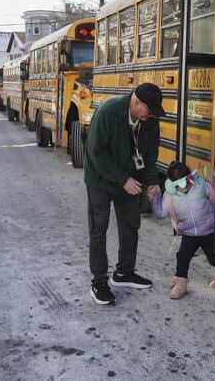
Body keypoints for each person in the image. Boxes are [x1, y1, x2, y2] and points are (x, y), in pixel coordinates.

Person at [84, 82, 164, 305]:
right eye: (150, 110)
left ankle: (123, 273)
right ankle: (99, 281)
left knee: (130, 224)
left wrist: (151, 183)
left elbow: (149, 157)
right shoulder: (108, 113)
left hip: (131, 179)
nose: (152, 116)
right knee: (99, 228)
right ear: (136, 103)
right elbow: (96, 152)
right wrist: (123, 179)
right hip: (101, 179)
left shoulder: (150, 121)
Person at [148, 161, 215, 299]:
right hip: (189, 234)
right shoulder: (169, 196)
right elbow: (160, 213)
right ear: (172, 183)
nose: (185, 187)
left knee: (214, 258)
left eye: (187, 181)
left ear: (190, 177)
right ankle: (180, 284)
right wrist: (155, 198)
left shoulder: (200, 184)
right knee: (182, 256)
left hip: (208, 231)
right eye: (179, 184)